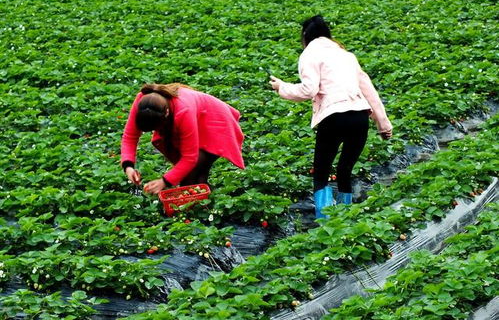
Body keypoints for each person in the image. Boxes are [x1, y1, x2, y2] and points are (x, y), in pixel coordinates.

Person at [269, 15, 392, 219]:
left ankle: (325, 223)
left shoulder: (310, 54)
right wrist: (383, 125)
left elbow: (309, 90)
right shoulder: (346, 56)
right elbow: (369, 91)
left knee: (321, 172)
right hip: (359, 117)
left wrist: (282, 87)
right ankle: (347, 220)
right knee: (345, 170)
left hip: (333, 117)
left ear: (305, 36)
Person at [121, 83, 245, 195]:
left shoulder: (183, 111)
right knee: (197, 175)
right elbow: (130, 136)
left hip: (216, 123)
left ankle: (193, 209)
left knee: (192, 173)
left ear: (167, 113)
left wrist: (164, 182)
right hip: (197, 117)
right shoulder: (143, 102)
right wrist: (128, 167)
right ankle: (201, 204)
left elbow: (190, 158)